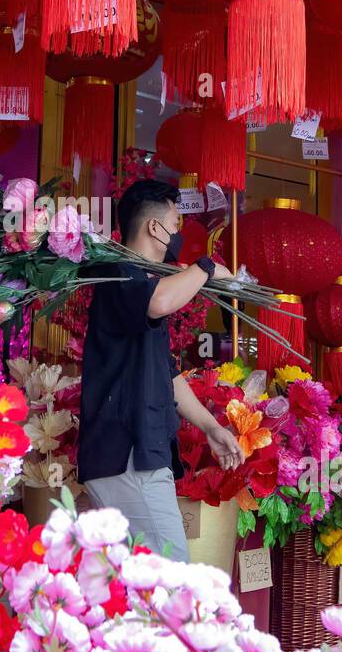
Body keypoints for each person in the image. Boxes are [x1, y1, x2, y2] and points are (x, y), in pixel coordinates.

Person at [78, 179, 244, 561]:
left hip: (136, 455)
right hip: (128, 454)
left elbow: (166, 375)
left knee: (136, 585)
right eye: (175, 224)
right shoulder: (119, 272)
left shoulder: (144, 283)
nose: (178, 234)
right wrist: (205, 267)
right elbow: (161, 301)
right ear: (155, 228)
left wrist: (211, 427)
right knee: (171, 580)